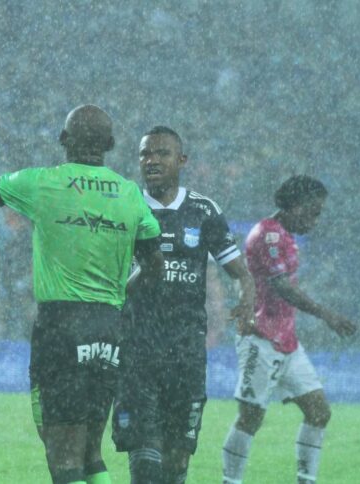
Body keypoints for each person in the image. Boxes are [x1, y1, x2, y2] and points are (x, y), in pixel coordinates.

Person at [0, 105, 165, 484]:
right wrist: (119, 294)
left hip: (62, 325)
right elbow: (156, 266)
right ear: (109, 144)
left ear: (64, 141)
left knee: (62, 455)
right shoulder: (130, 194)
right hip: (109, 327)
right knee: (91, 451)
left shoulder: (44, 182)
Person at [110, 126, 256, 483]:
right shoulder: (125, 206)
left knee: (176, 460)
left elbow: (241, 272)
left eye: (161, 153)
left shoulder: (203, 210)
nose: (152, 160)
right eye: (145, 154)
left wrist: (247, 300)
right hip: (136, 348)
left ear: (182, 160)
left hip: (186, 352)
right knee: (144, 459)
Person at [222, 175, 357, 484]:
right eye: (312, 211)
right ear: (293, 206)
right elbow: (281, 287)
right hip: (260, 337)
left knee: (319, 411)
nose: (315, 220)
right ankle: (230, 481)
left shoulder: (285, 234)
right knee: (251, 418)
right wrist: (326, 314)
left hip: (287, 340)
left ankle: (305, 480)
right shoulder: (267, 236)